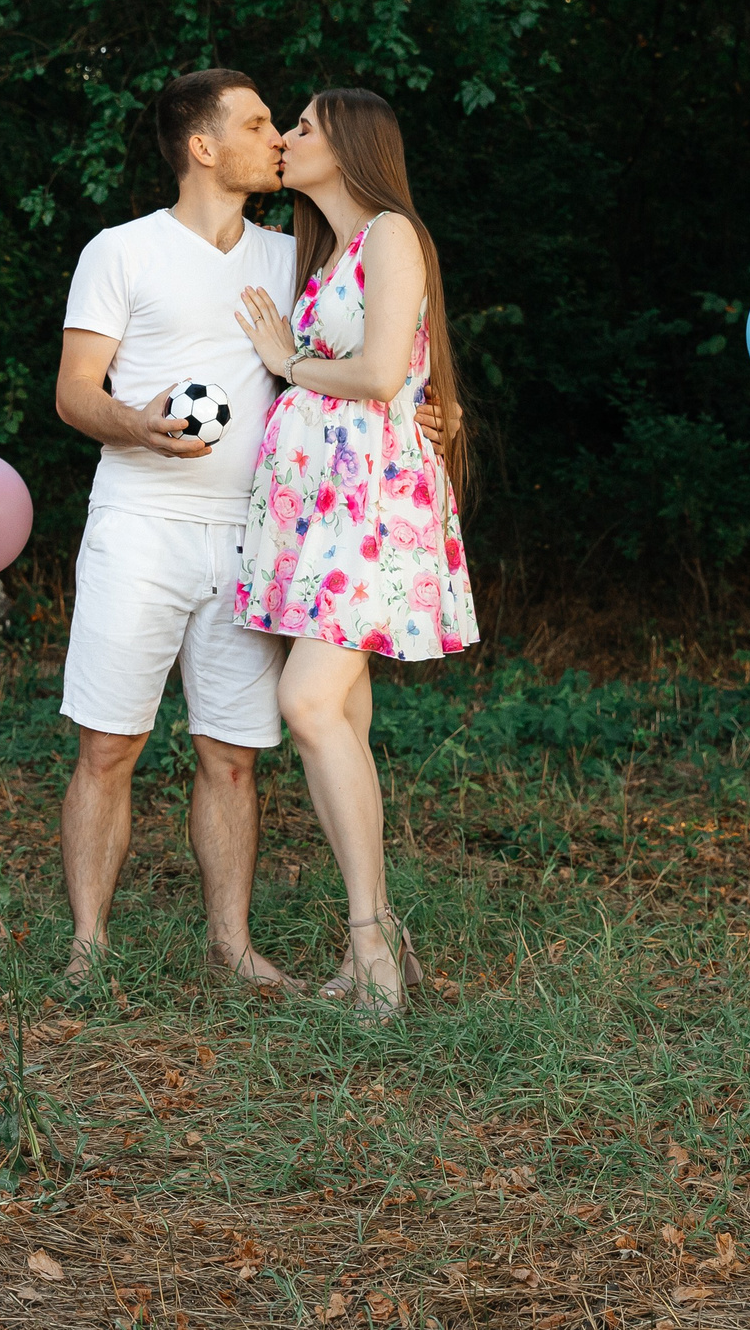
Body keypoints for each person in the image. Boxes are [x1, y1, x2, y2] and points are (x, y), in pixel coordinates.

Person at [54, 69, 453, 993]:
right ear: (202, 146)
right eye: (259, 123)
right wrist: (135, 421)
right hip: (141, 521)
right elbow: (75, 392)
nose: (278, 136)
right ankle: (88, 950)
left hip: (259, 538)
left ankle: (230, 948)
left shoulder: (292, 256)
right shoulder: (121, 250)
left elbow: (380, 349)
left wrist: (435, 417)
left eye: (287, 123)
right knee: (109, 744)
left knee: (233, 754)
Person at [232, 87, 478, 1020]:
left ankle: (373, 944)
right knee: (346, 717)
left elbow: (380, 375)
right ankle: (374, 937)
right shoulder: (329, 251)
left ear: (350, 142)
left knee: (305, 700)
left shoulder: (390, 234)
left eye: (300, 125)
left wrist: (283, 358)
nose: (287, 139)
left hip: (368, 501)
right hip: (323, 503)